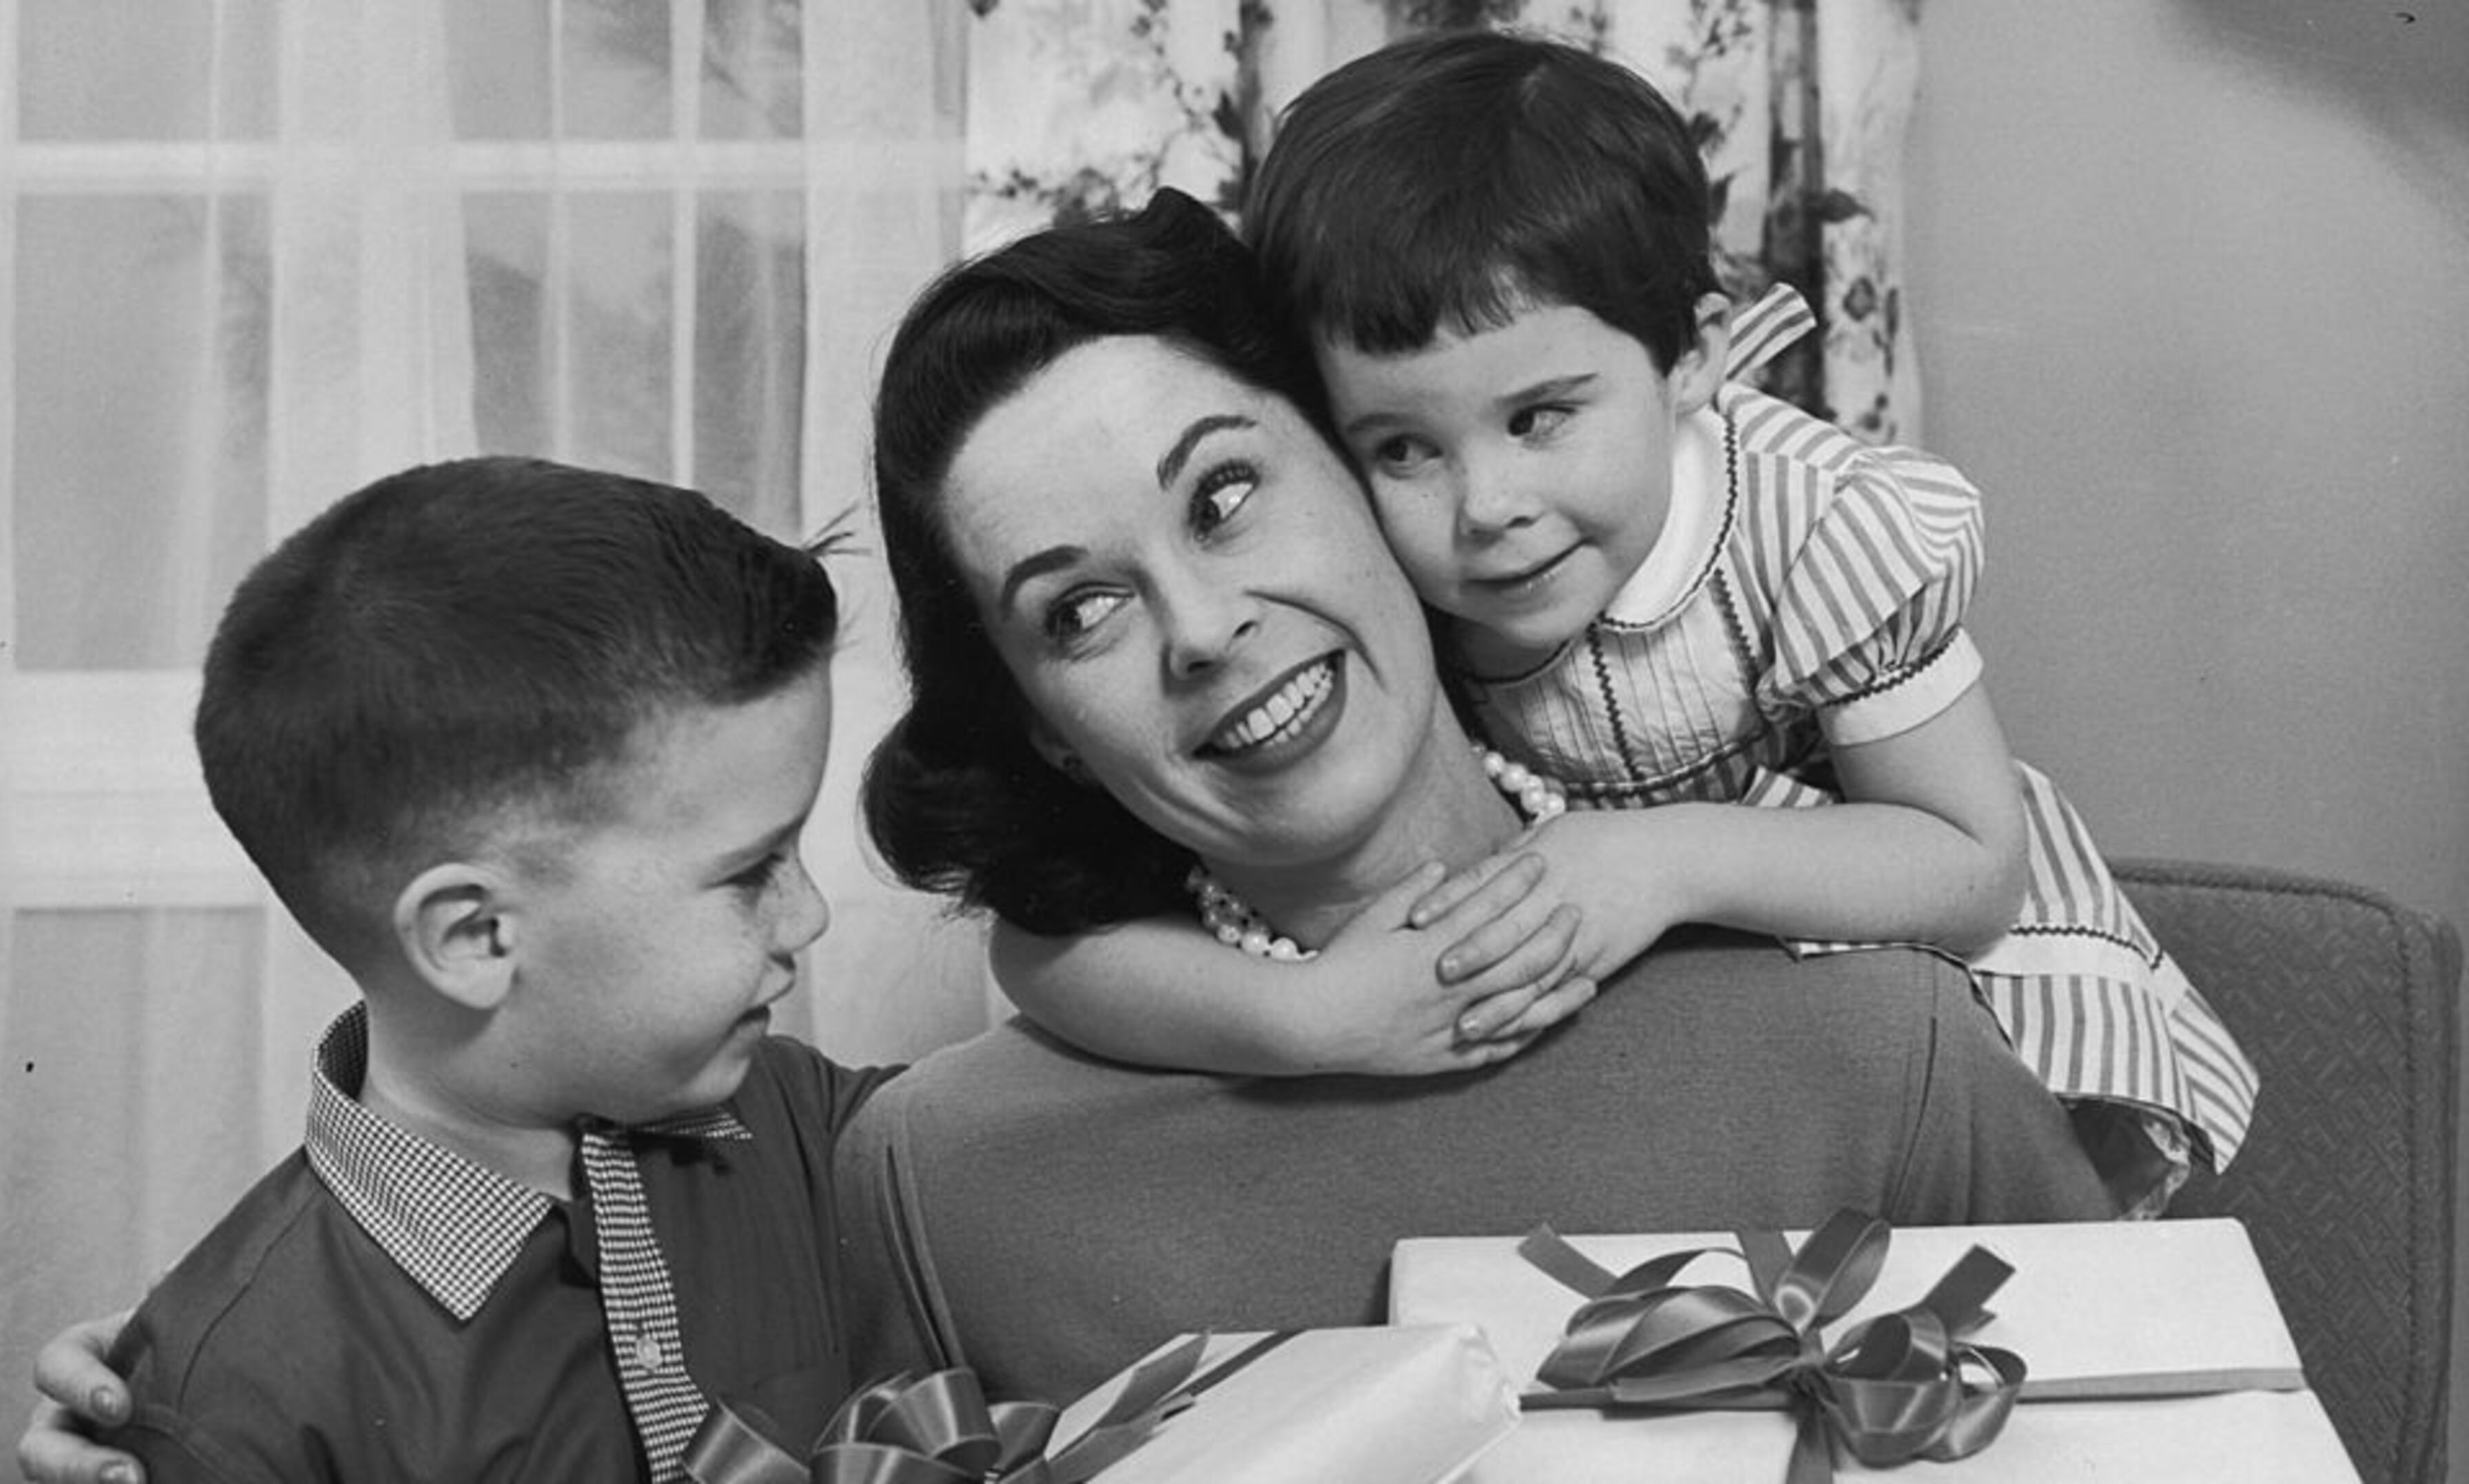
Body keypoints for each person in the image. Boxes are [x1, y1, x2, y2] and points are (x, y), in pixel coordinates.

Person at [844, 186, 2114, 1402]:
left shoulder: (1880, 1035)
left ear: (1374, 474)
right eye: (1079, 612)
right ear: (1041, 727)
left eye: (1224, 497)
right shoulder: (940, 1181)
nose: (1204, 628)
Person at [989, 31, 2257, 1217]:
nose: (1489, 508)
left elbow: (1974, 873)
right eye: (1401, 445)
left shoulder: (1814, 529)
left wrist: (1666, 859)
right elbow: (1041, 946)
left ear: (1691, 356)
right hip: (1670, 1029)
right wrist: (1308, 1016)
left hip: (1927, 958)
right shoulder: (1365, 580)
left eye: (1540, 417)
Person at [18, 458, 894, 1483]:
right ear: (475, 938)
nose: (812, 916)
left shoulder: (802, 1124)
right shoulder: (239, 1406)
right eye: (752, 872)